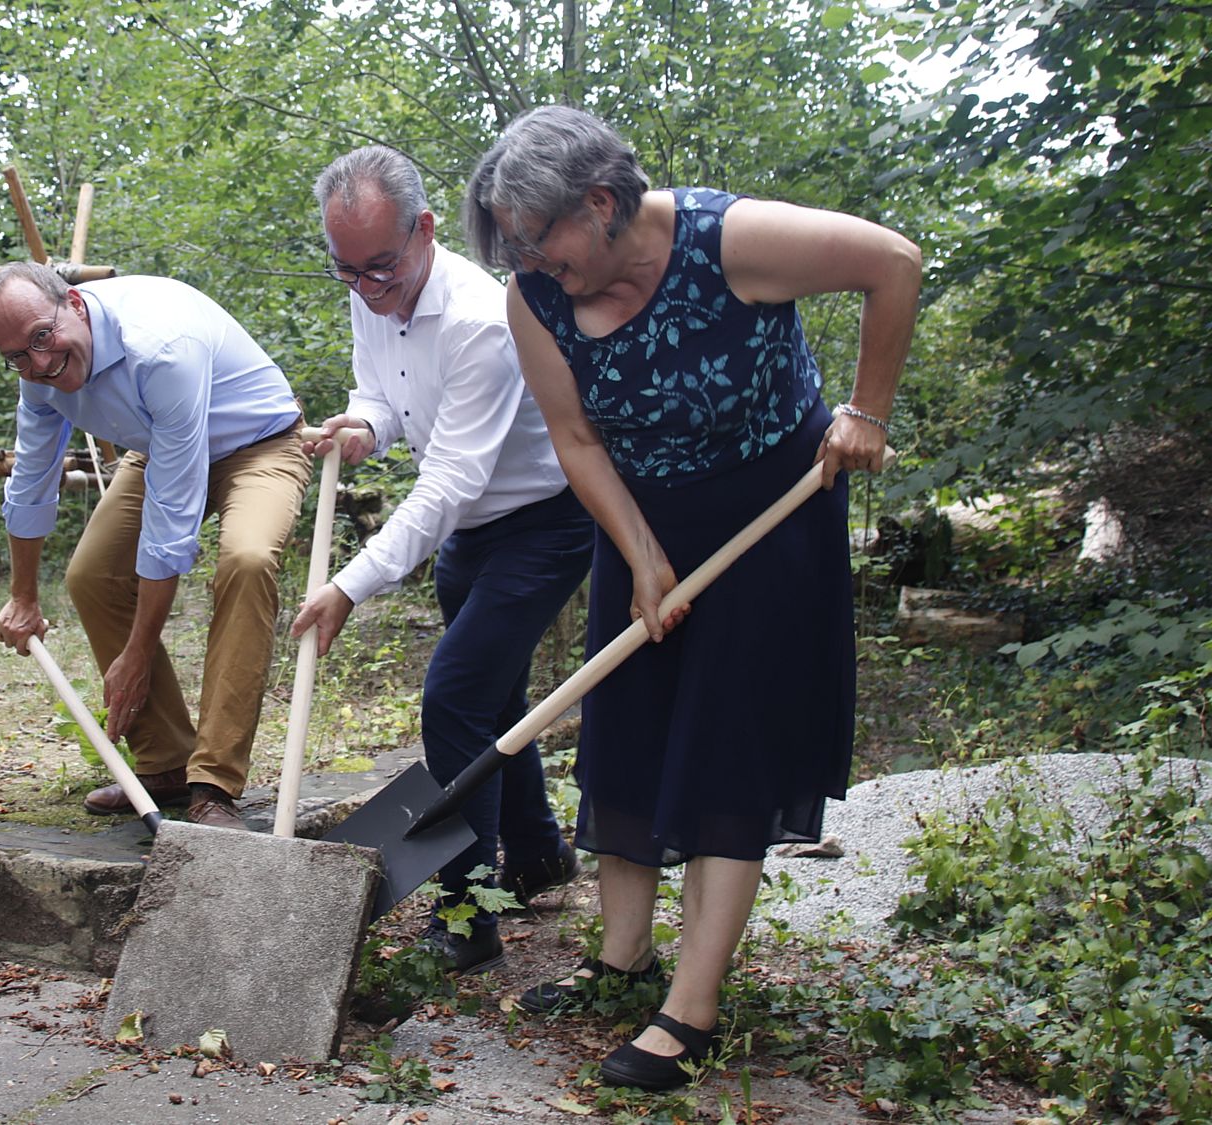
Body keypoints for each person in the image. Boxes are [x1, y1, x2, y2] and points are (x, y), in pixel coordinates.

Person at [463, 106, 919, 1090]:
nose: (530, 264)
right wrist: (636, 553)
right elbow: (575, 439)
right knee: (622, 729)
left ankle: (691, 1007)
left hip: (769, 520)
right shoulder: (533, 296)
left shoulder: (731, 242)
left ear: (597, 204)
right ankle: (619, 959)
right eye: (514, 248)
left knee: (726, 752)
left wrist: (865, 409)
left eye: (537, 241)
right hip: (640, 520)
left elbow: (894, 259)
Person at [293, 146, 596, 973]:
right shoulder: (372, 282)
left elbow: (453, 478)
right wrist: (364, 426)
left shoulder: (480, 319)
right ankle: (538, 857)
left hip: (544, 523)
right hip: (472, 534)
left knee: (455, 697)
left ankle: (468, 913)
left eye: (381, 267)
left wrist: (350, 587)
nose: (367, 288)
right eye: (347, 271)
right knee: (492, 696)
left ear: (424, 230)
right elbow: (380, 391)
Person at [0, 261, 311, 831]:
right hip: (158, 444)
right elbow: (32, 478)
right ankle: (165, 763)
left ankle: (214, 783)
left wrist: (136, 654)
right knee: (92, 575)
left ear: (76, 306)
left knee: (247, 559)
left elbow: (171, 519)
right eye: (17, 355)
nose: (38, 362)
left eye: (42, 337)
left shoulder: (162, 348)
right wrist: (23, 596)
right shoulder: (35, 374)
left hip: (259, 442)